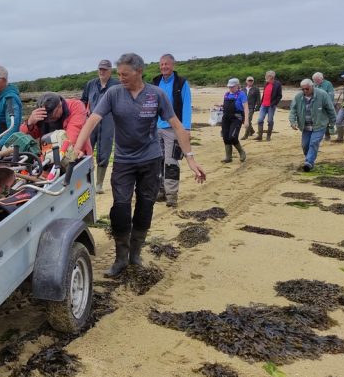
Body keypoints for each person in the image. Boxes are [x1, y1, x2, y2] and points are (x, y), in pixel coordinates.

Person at [74, 53, 206, 277]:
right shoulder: (114, 93)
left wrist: (190, 158)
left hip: (150, 160)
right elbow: (93, 120)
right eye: (119, 74)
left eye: (125, 74)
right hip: (124, 161)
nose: (121, 77)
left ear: (139, 72)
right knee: (120, 208)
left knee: (146, 206)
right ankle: (120, 258)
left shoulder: (156, 95)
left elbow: (177, 125)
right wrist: (78, 147)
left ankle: (135, 254)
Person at [151, 54, 192, 207]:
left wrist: (186, 128)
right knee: (157, 161)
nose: (164, 67)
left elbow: (187, 104)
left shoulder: (182, 83)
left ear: (173, 65)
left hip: (173, 129)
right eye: (161, 64)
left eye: (166, 64)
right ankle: (160, 191)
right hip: (156, 128)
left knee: (171, 161)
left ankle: (172, 196)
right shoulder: (156, 82)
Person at [81, 59, 119, 193]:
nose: (102, 72)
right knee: (86, 151)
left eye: (104, 69)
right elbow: (83, 101)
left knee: (104, 151)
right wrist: (83, 114)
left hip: (109, 121)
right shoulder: (91, 84)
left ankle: (99, 184)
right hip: (91, 122)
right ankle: (87, 182)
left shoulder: (117, 85)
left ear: (110, 71)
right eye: (100, 69)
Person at [20, 92, 92, 155]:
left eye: (52, 117)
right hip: (48, 153)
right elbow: (23, 137)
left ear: (60, 105)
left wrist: (57, 156)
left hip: (74, 153)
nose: (49, 121)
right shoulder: (41, 113)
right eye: (46, 120)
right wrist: (29, 123)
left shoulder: (76, 106)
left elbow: (73, 136)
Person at [289, 78, 336, 171]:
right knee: (305, 145)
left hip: (319, 125)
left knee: (314, 143)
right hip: (305, 126)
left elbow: (331, 109)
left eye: (307, 89)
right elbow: (293, 110)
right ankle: (309, 159)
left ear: (312, 86)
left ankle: (308, 162)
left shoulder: (322, 94)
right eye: (302, 89)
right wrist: (293, 121)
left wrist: (332, 124)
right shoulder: (298, 97)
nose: (305, 91)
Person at [220, 78, 248, 163]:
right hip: (226, 118)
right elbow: (226, 105)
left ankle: (241, 152)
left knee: (232, 136)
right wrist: (221, 105)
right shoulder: (226, 94)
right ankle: (228, 157)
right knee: (225, 137)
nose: (230, 88)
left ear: (237, 86)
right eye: (229, 87)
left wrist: (246, 120)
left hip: (237, 118)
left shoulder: (241, 94)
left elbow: (246, 107)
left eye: (232, 87)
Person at [254, 70, 283, 141]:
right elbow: (264, 94)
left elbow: (279, 96)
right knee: (260, 120)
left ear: (271, 77)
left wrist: (274, 104)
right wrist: (260, 103)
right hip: (263, 105)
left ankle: (268, 136)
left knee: (270, 120)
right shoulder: (266, 83)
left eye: (267, 76)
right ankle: (260, 136)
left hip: (271, 106)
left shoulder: (277, 84)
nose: (265, 77)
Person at [312, 72, 335, 140]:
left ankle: (327, 135)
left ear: (321, 78)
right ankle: (317, 133)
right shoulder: (314, 84)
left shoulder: (328, 84)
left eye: (316, 80)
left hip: (326, 105)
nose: (315, 81)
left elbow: (331, 95)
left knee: (326, 120)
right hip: (316, 105)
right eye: (314, 80)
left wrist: (326, 105)